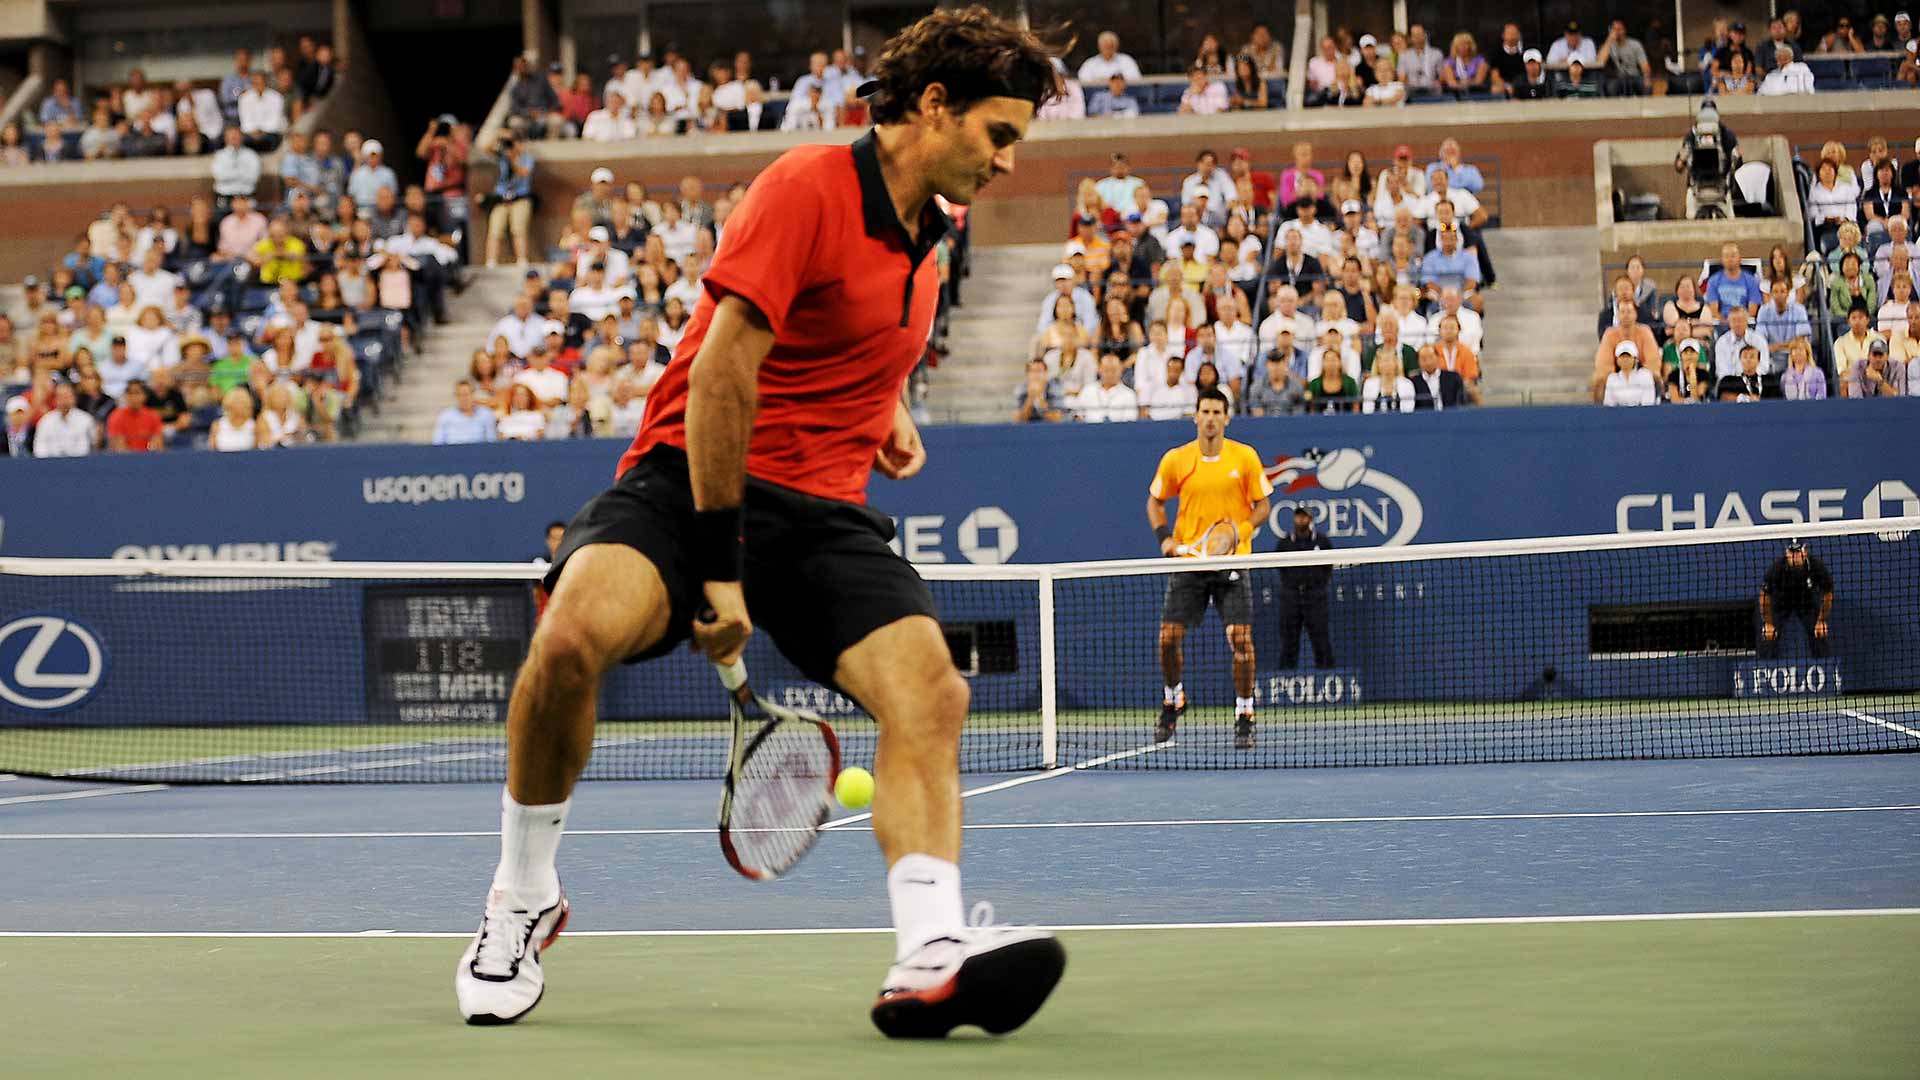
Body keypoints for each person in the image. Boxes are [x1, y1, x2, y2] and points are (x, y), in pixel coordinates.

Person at [454, 7, 1067, 1037]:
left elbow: (843, 333)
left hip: (825, 513)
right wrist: (719, 565)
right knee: (566, 641)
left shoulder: (933, 236)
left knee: (930, 690)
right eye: (999, 134)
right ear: (933, 109)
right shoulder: (808, 188)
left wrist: (887, 411)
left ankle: (928, 955)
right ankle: (521, 897)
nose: (1008, 161)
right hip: (688, 479)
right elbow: (723, 375)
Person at [1145, 389, 1272, 749]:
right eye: (1205, 411)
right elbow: (1154, 502)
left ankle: (1245, 713)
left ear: (1227, 417)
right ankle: (1173, 699)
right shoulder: (1177, 460)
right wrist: (1165, 539)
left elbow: (1262, 505)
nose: (1211, 417)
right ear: (1196, 417)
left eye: (1218, 411)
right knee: (1168, 639)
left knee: (1241, 640)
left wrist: (1239, 533)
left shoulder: (1244, 457)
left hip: (1233, 563)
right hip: (1190, 563)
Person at [1274, 501, 1336, 664]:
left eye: (1304, 516)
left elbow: (1328, 568)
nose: (1301, 519)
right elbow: (1281, 570)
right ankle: (1286, 678)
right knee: (1288, 643)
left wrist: (1318, 585)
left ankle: (1327, 674)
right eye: (1298, 516)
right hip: (1291, 598)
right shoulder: (1285, 543)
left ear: (1310, 518)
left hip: (1315, 598)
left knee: (1321, 641)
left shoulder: (1322, 542)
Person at [1759, 540, 1832, 659]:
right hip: (1781, 603)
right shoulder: (1777, 568)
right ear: (1786, 553)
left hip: (1806, 603)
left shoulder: (1816, 566)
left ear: (1805, 552)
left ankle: (1827, 669)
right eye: (1791, 552)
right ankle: (1762, 669)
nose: (1795, 556)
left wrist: (1821, 621)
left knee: (1819, 633)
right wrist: (1768, 623)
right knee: (1768, 635)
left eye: (1798, 552)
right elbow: (1764, 595)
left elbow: (1828, 593)